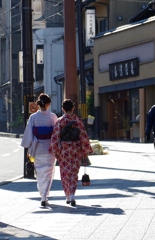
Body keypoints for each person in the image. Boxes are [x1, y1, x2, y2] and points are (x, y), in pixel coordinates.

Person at [49, 98, 93, 206]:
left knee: (65, 173)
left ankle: (67, 196)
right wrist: (86, 150)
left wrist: (55, 150)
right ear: (73, 108)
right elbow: (83, 136)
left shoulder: (60, 121)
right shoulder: (78, 121)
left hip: (64, 150)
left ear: (63, 109)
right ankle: (72, 194)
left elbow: (55, 137)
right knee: (74, 173)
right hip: (76, 150)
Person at [21, 93, 58, 207]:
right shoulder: (52, 117)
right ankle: (44, 196)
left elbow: (29, 134)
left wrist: (29, 149)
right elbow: (57, 133)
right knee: (49, 172)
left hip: (37, 148)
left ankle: (43, 194)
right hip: (50, 148)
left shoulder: (33, 117)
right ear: (47, 104)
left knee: (40, 173)